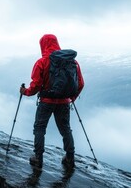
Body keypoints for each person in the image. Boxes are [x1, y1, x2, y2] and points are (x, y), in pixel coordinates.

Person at [20, 34, 84, 169]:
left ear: (43, 45)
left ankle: (38, 158)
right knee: (66, 129)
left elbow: (35, 86)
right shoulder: (72, 62)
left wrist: (25, 92)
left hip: (46, 101)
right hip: (64, 102)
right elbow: (81, 84)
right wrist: (71, 98)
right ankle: (70, 158)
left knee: (39, 128)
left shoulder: (42, 62)